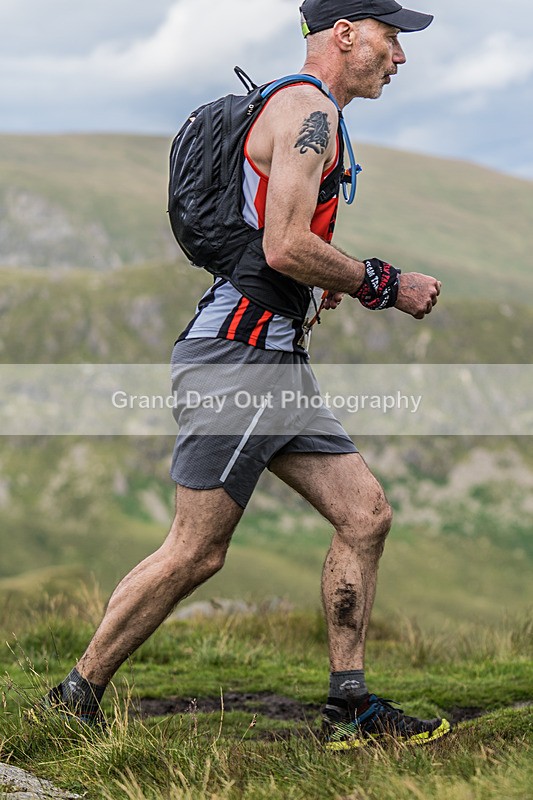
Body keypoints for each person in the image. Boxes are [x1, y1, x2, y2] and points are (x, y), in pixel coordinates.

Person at [39, 0, 450, 749]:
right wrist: (384, 283)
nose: (400, 56)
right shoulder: (306, 112)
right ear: (345, 33)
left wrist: (317, 284)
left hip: (270, 357)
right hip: (239, 361)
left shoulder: (306, 111)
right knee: (196, 549)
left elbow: (279, 244)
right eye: (391, 38)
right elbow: (285, 244)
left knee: (364, 515)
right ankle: (73, 695)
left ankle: (349, 707)